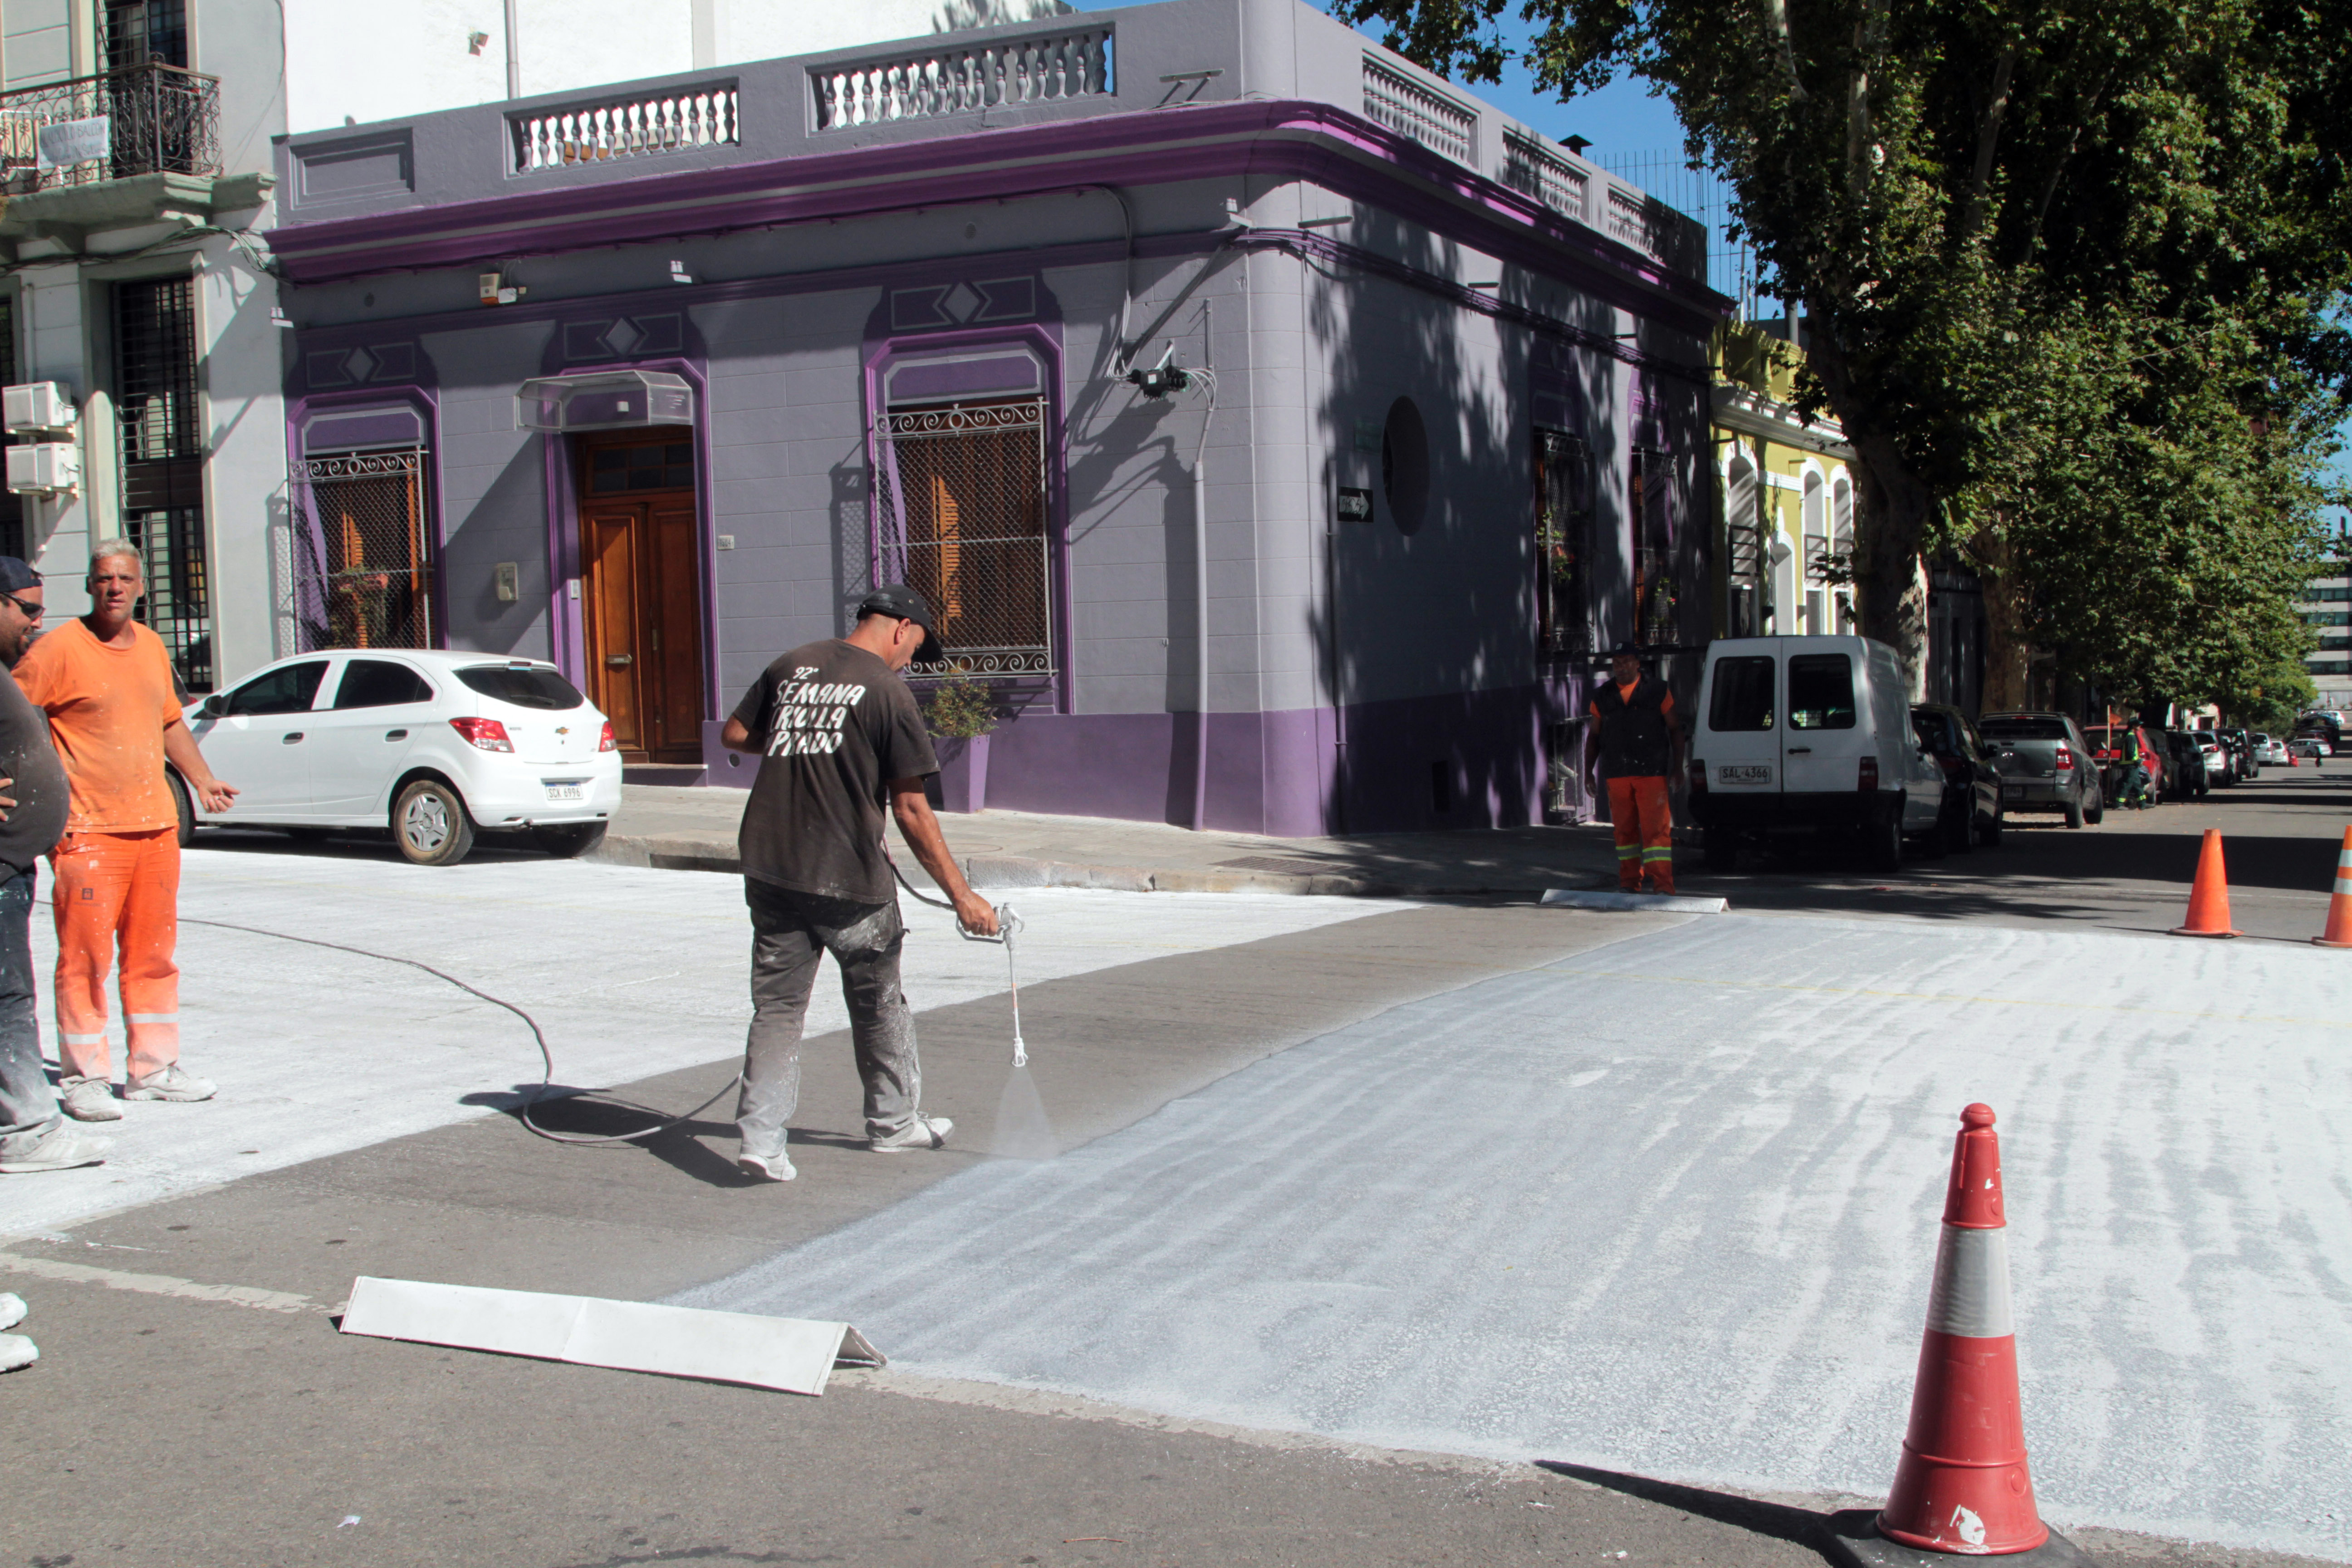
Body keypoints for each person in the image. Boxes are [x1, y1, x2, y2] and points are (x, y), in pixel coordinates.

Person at [715, 585, 999, 1183]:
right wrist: (964, 897)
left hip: (770, 864)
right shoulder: (887, 692)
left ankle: (762, 1143)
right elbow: (914, 811)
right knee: (878, 1001)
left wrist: (804, 745)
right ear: (901, 628)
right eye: (915, 649)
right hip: (846, 875)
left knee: (778, 1007)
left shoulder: (790, 665)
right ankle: (894, 1124)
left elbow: (736, 736)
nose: (910, 664)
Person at [13, 540, 237, 1122]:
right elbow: (7, 713)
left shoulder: (153, 647)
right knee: (84, 960)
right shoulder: (57, 650)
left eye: (124, 578)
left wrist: (204, 780)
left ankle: (153, 1069)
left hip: (156, 826)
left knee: (153, 956)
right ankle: (85, 1076)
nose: (113, 587)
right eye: (103, 578)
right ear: (89, 587)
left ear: (142, 588)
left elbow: (169, 721)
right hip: (87, 831)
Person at [0, 559, 109, 1175]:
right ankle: (27, 1130)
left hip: (14, 864)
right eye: (29, 610)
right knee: (8, 998)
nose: (38, 624)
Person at [1586, 640, 1682, 894]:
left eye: (1627, 662)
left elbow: (1675, 730)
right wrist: (1587, 771)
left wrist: (1678, 768)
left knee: (1656, 833)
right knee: (1624, 833)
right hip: (1617, 772)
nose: (1622, 667)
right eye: (1617, 663)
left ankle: (1663, 887)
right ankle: (1629, 883)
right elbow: (1594, 736)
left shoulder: (1658, 691)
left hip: (1651, 772)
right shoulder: (1602, 695)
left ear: (1638, 664)